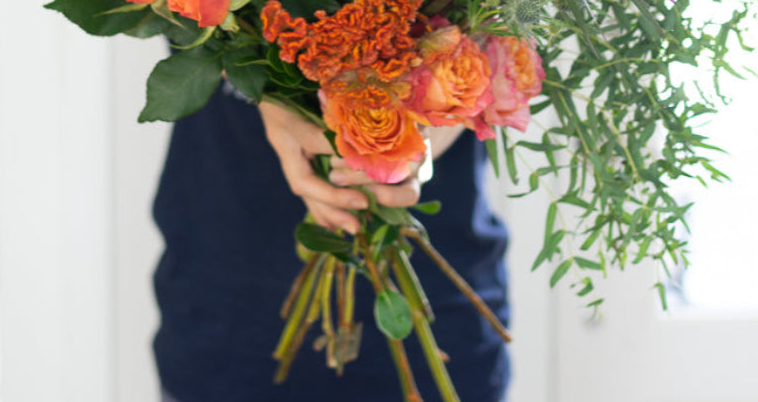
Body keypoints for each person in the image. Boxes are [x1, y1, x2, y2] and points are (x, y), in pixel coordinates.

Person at [153, 83, 511, 402]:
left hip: (444, 315)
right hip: (224, 309)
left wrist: (429, 130)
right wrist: (267, 93)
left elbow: (511, 38)